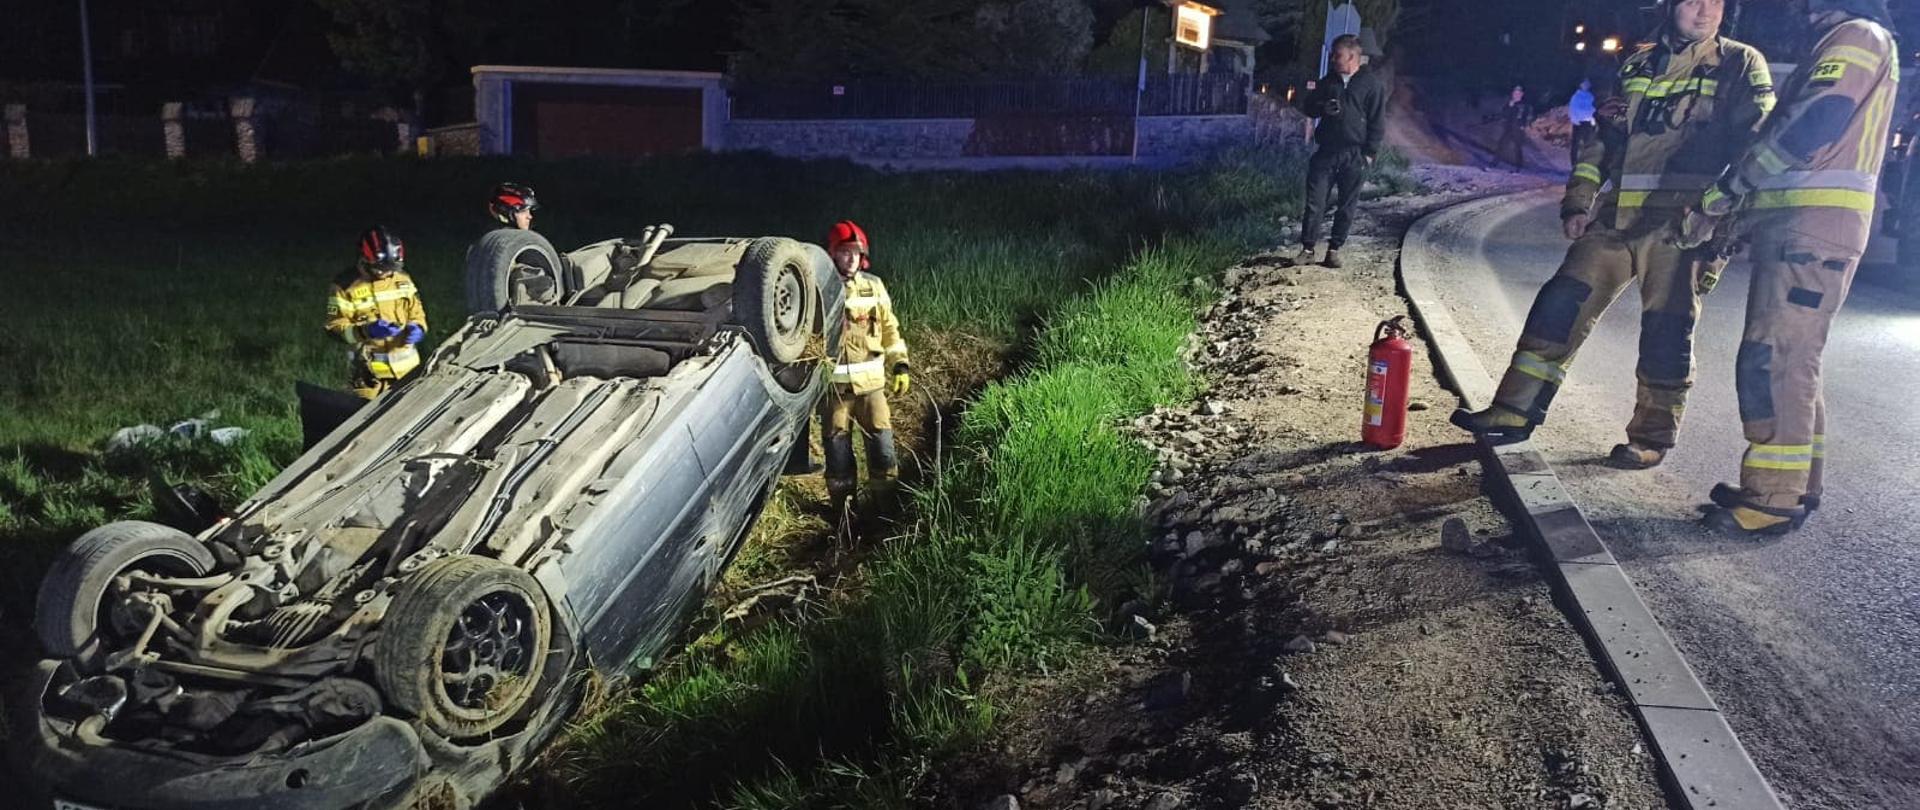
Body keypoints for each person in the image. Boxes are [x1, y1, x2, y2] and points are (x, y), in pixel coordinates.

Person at [1453, 0, 1775, 469]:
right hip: (1615, 218)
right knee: (1559, 306)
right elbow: (1602, 140)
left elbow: (1757, 146)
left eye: (1716, 1)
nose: (1705, 11)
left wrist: (1724, 218)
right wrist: (1578, 200)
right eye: (1693, 0)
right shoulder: (1636, 64)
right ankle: (1513, 409)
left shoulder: (1741, 63)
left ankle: (1651, 438)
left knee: (1667, 332)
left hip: (1682, 225)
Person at [1676, 0, 1899, 536]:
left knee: (1772, 357)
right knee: (1796, 360)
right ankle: (1796, 485)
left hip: (1812, 229)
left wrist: (1732, 186)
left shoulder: (1856, 34)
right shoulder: (1853, 37)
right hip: (1810, 228)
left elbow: (1816, 120)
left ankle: (1772, 498)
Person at [821, 220, 911, 507]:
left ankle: (883, 512)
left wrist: (900, 365)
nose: (851, 258)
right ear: (833, 254)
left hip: (872, 388)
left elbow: (890, 330)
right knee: (837, 457)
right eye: (844, 252)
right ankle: (844, 515)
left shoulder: (874, 286)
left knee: (883, 451)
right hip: (835, 392)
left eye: (856, 253)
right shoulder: (820, 288)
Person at [1292, 34, 1387, 270]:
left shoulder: (1372, 85)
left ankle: (1334, 250)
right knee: (1315, 202)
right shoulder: (1328, 82)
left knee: (1347, 204)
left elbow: (1377, 122)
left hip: (1354, 154)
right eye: (1334, 55)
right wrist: (1322, 107)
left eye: (1338, 55)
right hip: (1326, 152)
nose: (1333, 59)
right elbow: (1308, 107)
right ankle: (1307, 249)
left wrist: (1369, 153)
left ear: (1352, 56)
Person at [325, 227, 428, 399]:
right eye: (381, 268)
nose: (387, 272)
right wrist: (366, 331)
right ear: (365, 259)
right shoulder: (345, 286)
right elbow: (334, 328)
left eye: (392, 268)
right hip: (368, 378)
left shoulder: (403, 279)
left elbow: (417, 313)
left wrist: (418, 327)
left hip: (408, 374)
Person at [1493, 84, 1536, 170]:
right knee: (1501, 145)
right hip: (1508, 128)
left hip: (1518, 129)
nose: (1516, 95)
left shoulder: (1525, 105)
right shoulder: (1509, 103)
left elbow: (1529, 116)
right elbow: (1504, 114)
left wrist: (1524, 125)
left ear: (1521, 94)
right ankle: (1494, 164)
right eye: (1514, 93)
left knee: (1517, 148)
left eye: (1518, 93)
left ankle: (1518, 167)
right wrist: (1509, 107)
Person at [1568, 79, 1597, 168]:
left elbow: (1593, 108)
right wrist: (1575, 120)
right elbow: (1573, 109)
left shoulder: (1590, 96)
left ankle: (1587, 163)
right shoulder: (1576, 96)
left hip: (1588, 123)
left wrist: (1593, 120)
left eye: (1587, 84)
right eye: (1584, 84)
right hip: (1579, 123)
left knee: (1588, 144)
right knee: (1576, 145)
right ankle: (1574, 164)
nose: (1586, 86)